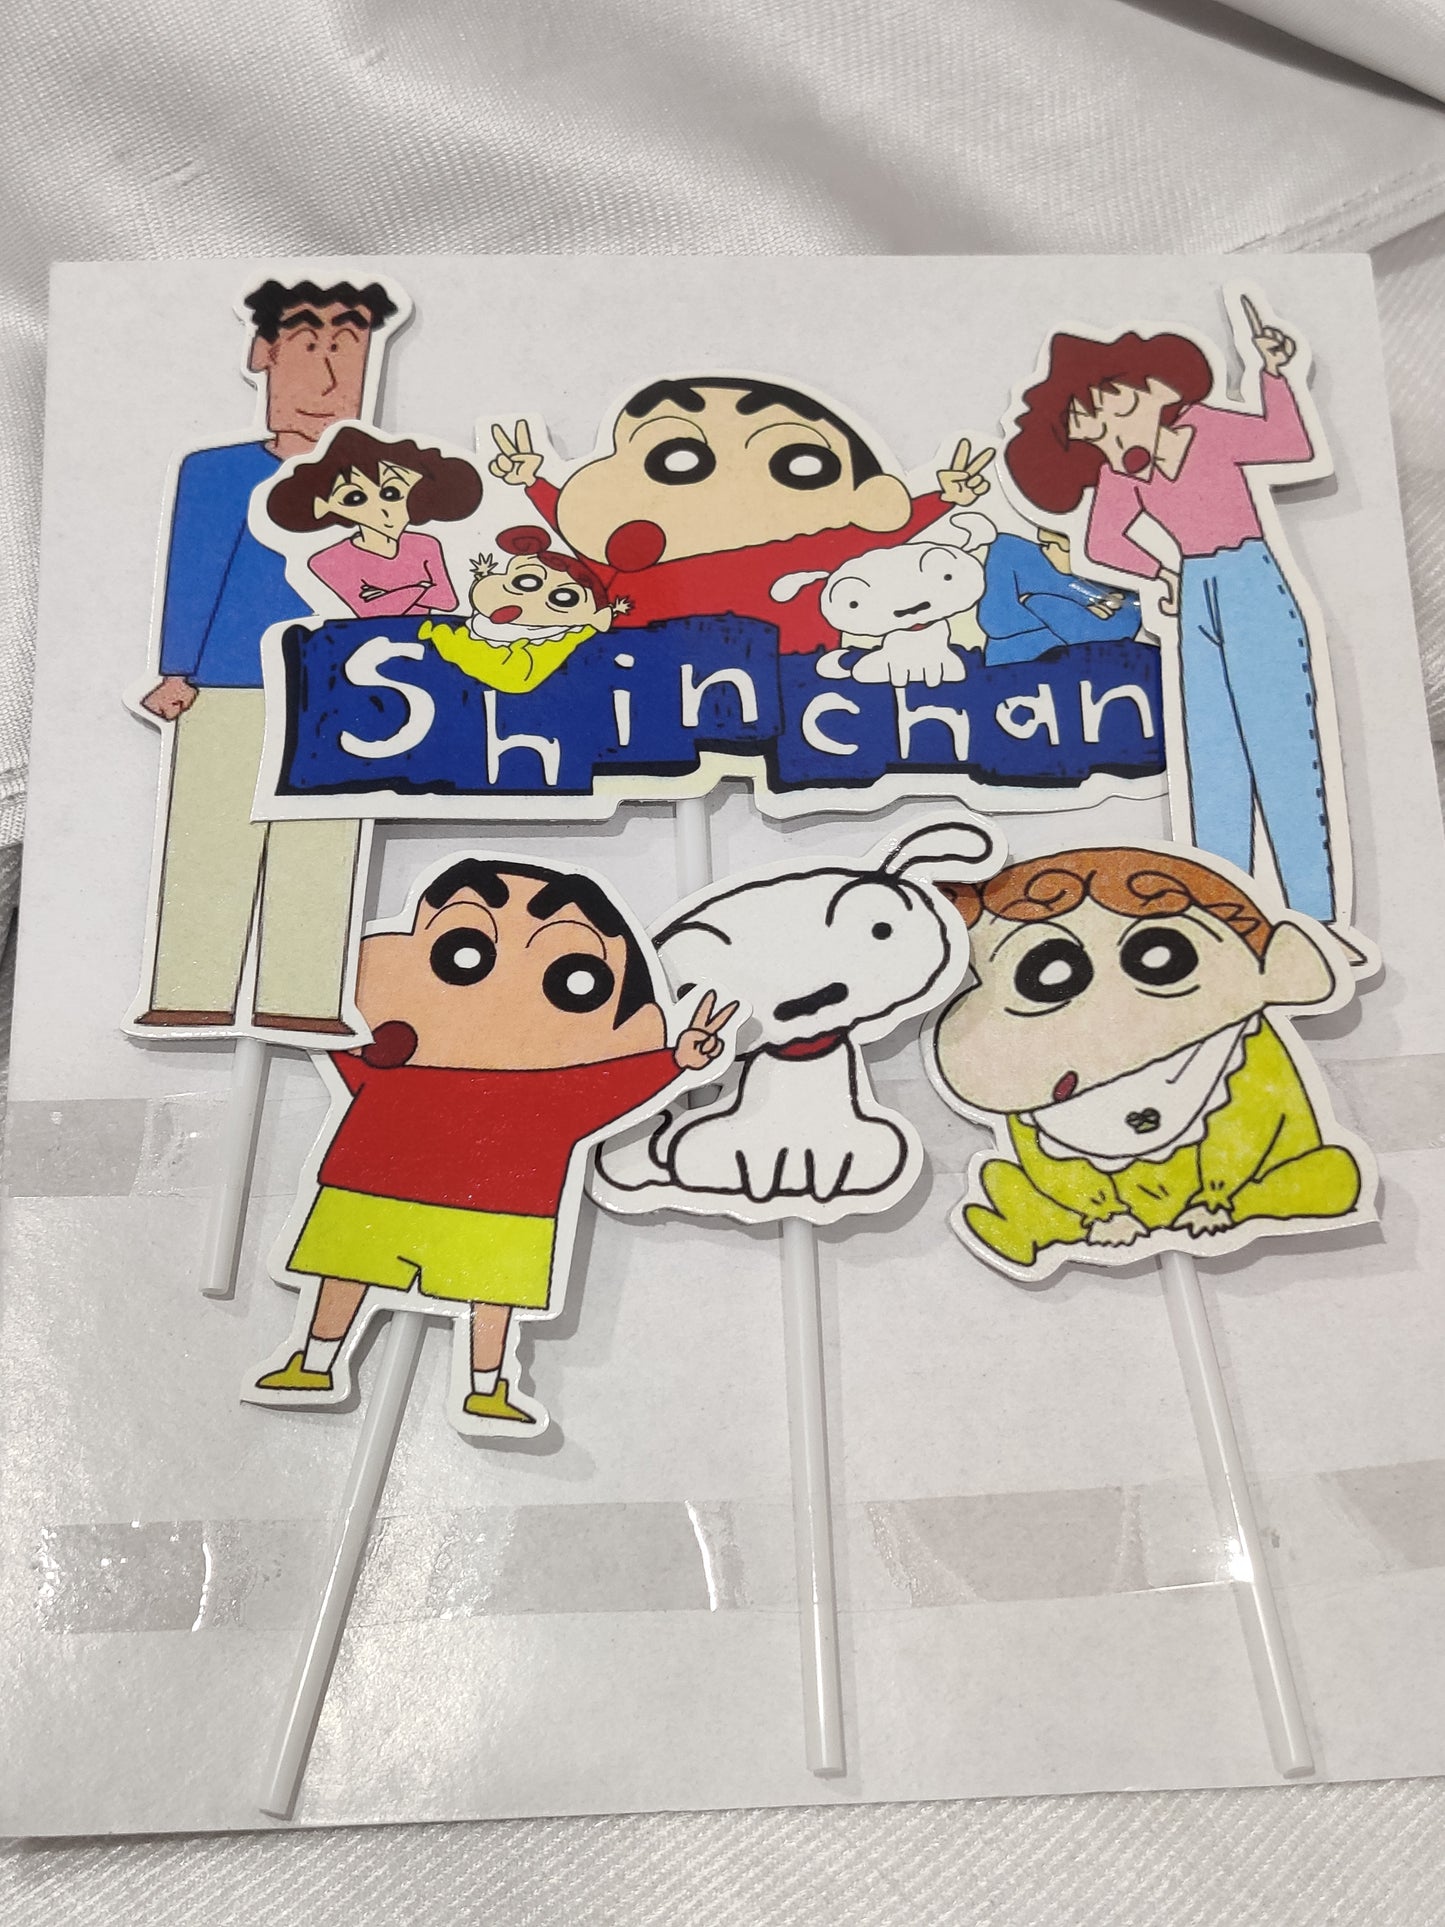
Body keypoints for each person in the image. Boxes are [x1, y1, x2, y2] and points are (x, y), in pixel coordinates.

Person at [252, 856, 733, 1430]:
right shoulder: (400, 1066)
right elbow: (348, 1061)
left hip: (501, 1207)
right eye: (462, 951)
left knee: (491, 1295)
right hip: (374, 1189)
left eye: (575, 980)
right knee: (347, 1270)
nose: (506, 992)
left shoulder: (557, 1092)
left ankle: (485, 1385)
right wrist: (329, 1025)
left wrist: (676, 1061)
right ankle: (316, 1361)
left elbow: (613, 1084)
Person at [1004, 300, 1335, 922]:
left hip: (1250, 576)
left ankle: (1315, 918)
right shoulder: (1124, 474)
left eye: (1114, 409)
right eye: (1094, 433)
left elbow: (1290, 443)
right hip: (1196, 588)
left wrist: (1273, 374)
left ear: (1159, 389)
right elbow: (1104, 542)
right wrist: (1163, 572)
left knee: (1281, 741)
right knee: (1211, 753)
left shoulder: (1209, 428)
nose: (1111, 438)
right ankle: (1219, 915)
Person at [134, 277, 402, 1034]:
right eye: (310, 346)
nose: (329, 375)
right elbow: (193, 570)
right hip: (229, 684)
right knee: (212, 833)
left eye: (348, 348)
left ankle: (304, 998)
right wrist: (177, 669)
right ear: (265, 352)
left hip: (343, 687)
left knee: (323, 841)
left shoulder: (385, 481)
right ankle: (189, 990)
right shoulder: (218, 473)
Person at [931, 846, 1362, 1276]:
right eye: (1047, 976)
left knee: (1319, 1175)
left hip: (1231, 1189)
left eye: (1162, 956)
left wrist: (1217, 1197)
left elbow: (1259, 1119)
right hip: (1104, 1213)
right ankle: (1054, 1221)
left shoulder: (1238, 1043)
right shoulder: (1031, 1074)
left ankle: (1244, 1201)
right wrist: (1101, 1212)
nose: (1108, 1008)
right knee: (1011, 1181)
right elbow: (1042, 1158)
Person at [487, 378, 995, 653]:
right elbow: (583, 532)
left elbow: (880, 530)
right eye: (677, 457)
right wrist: (534, 482)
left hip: (791, 687)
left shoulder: (806, 546)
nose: (726, 486)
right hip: (640, 688)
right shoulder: (630, 561)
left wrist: (943, 497)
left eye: (797, 463)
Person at [264, 426, 480, 618]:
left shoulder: (425, 545)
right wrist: (422, 587)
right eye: (354, 498)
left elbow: (446, 601)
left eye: (392, 493)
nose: (382, 510)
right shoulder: (328, 560)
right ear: (323, 507)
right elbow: (371, 611)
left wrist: (391, 594)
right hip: (373, 639)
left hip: (429, 632)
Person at [418, 524, 629, 693]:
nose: (533, 599)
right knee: (456, 642)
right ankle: (438, 634)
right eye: (527, 582)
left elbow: (590, 627)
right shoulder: (488, 615)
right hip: (482, 647)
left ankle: (441, 635)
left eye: (564, 598)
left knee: (508, 669)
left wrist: (607, 614)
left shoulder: (563, 635)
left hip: (518, 664)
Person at [977, 527, 1140, 665]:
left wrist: (1033, 602)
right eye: (1046, 544)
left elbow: (1113, 637)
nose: (1046, 550)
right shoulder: (1010, 551)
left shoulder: (1124, 580)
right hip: (1010, 669)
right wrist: (1073, 616)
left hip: (1080, 675)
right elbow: (995, 620)